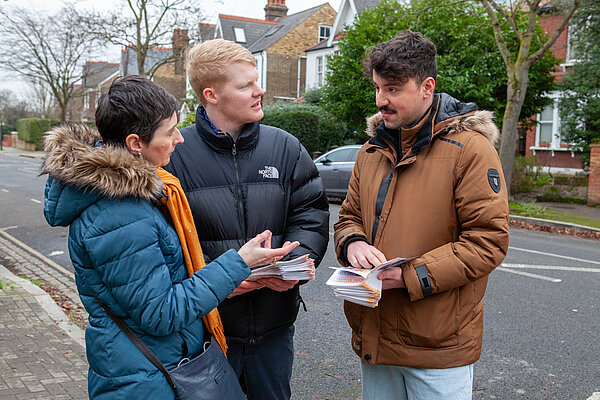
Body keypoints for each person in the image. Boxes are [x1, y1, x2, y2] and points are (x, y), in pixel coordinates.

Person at [42, 75, 299, 399]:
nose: (179, 139)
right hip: (148, 381)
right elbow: (161, 313)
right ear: (136, 143)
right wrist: (238, 264)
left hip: (153, 369)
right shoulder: (120, 214)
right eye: (169, 131)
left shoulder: (131, 198)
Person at [333, 30, 510, 399]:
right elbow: (349, 216)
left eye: (394, 89)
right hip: (376, 333)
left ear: (427, 86)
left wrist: (408, 277)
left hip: (438, 345)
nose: (381, 100)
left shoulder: (471, 150)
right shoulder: (371, 150)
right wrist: (353, 244)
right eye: (378, 88)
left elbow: (488, 241)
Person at [165, 39, 329, 400]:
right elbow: (162, 242)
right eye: (246, 86)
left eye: (256, 81)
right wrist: (217, 279)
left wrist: (293, 263)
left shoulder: (285, 147)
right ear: (211, 94)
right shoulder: (174, 153)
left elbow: (311, 213)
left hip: (274, 328)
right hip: (206, 334)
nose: (260, 90)